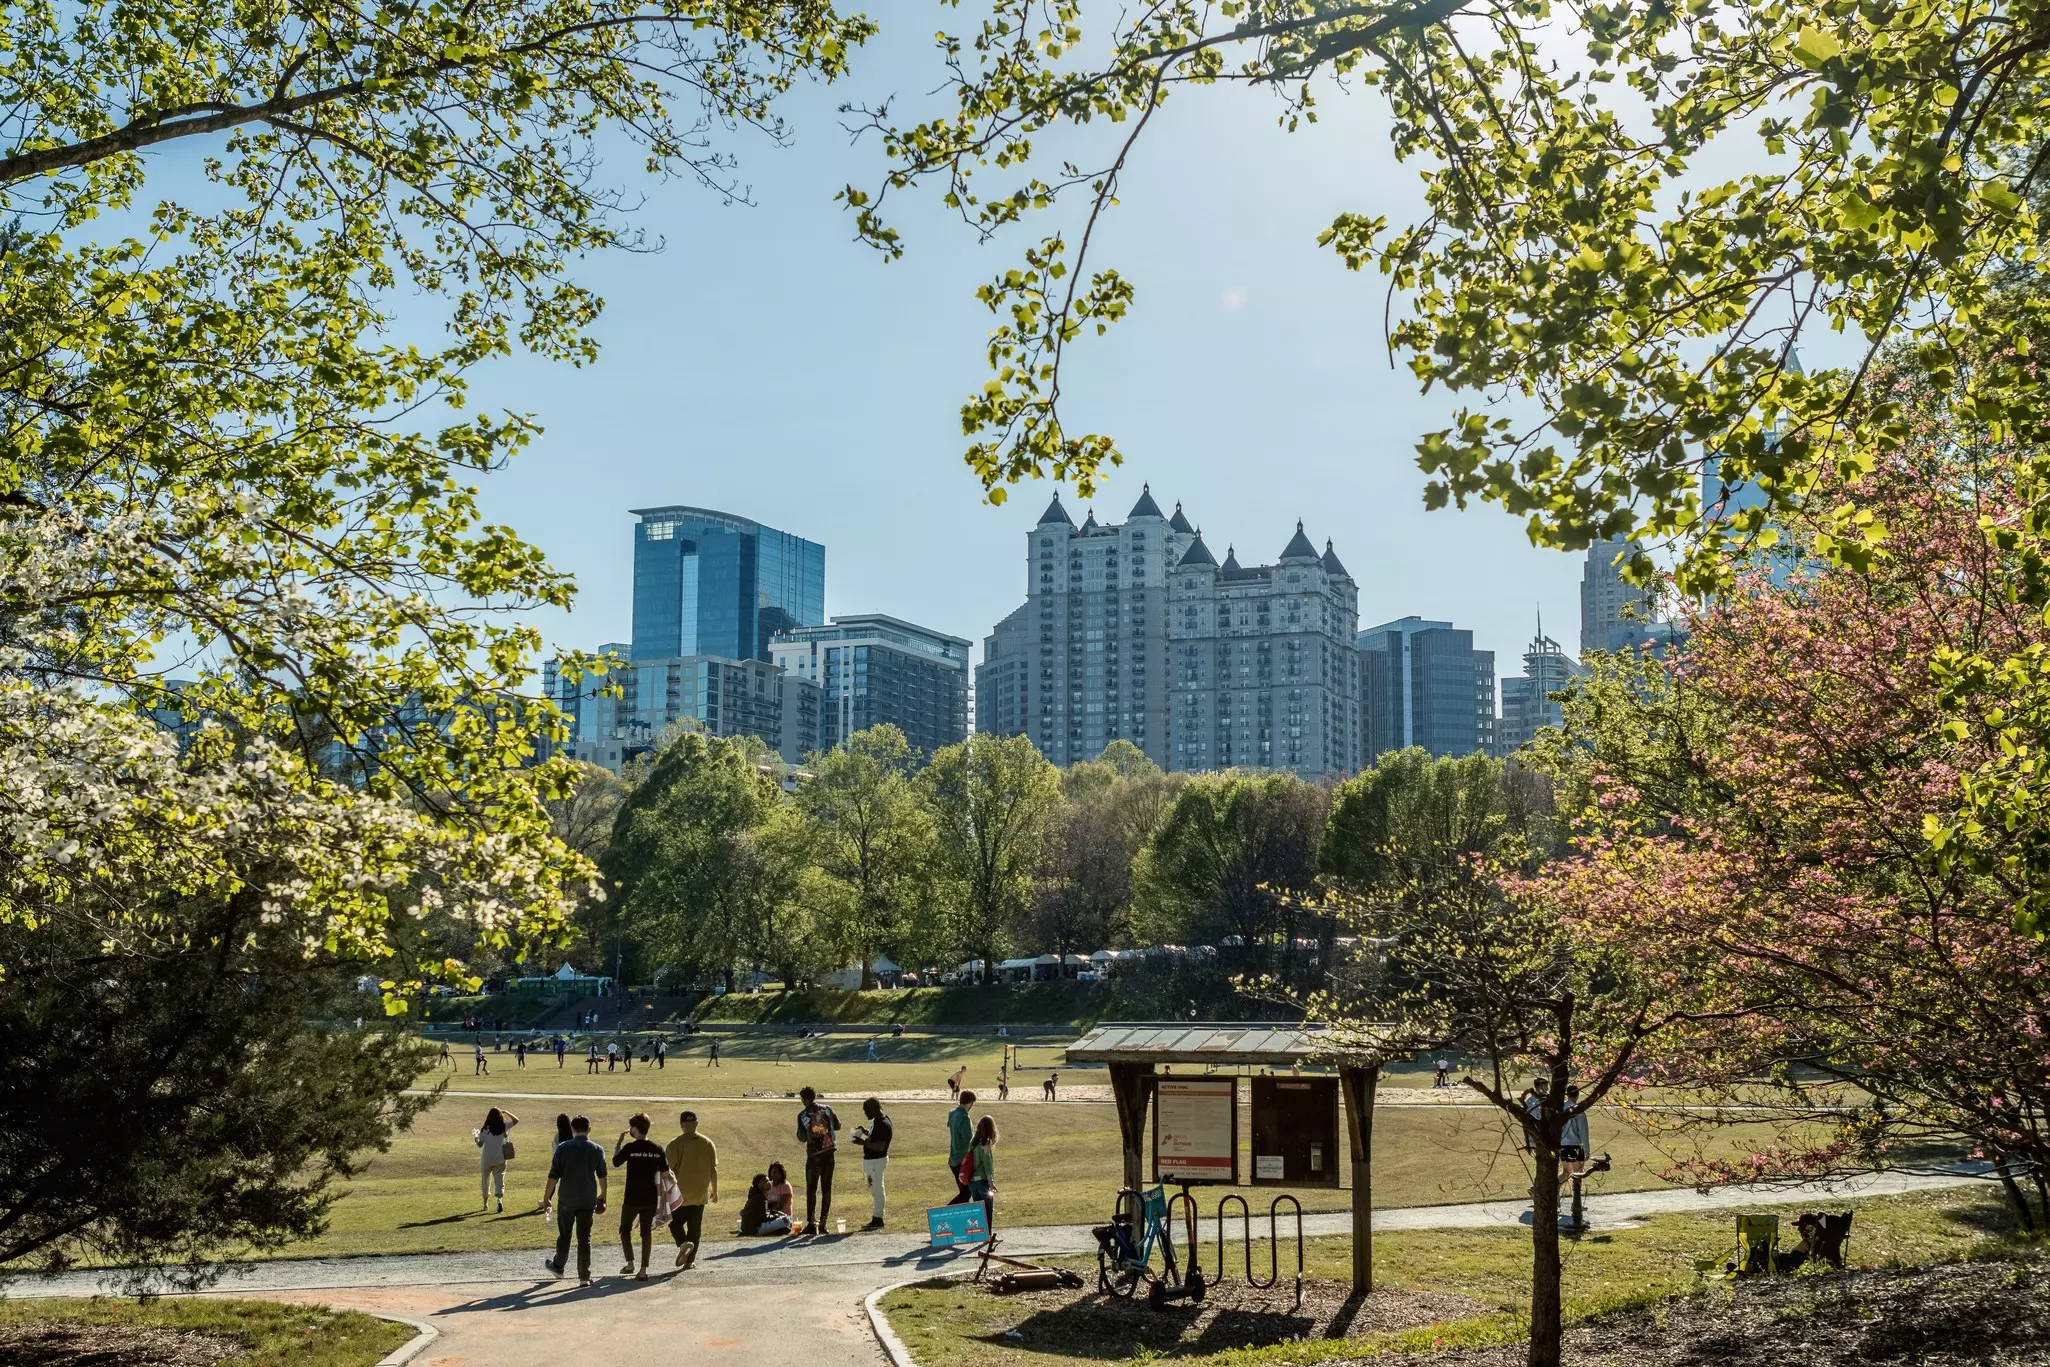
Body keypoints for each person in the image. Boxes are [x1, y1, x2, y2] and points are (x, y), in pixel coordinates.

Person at [541, 1115, 608, 1283]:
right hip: (587, 1198)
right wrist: (603, 1195)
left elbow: (553, 1176)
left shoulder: (563, 1148)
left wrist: (547, 1197)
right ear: (589, 1129)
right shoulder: (597, 1149)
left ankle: (559, 1266)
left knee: (565, 1234)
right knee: (585, 1237)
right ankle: (584, 1275)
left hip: (567, 1198)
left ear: (573, 1129)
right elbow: (602, 1176)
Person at [612, 1112, 670, 1280]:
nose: (630, 1129)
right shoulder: (657, 1149)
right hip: (650, 1198)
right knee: (646, 1233)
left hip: (631, 1198)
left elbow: (615, 1162)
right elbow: (665, 1173)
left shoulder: (630, 1148)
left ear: (636, 1129)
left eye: (631, 1127)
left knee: (625, 1229)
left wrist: (619, 1143)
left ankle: (630, 1262)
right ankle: (643, 1269)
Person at [664, 1109, 719, 1268]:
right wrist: (714, 1192)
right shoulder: (707, 1143)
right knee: (695, 1228)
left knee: (674, 1224)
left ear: (681, 1125)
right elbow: (713, 1170)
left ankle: (682, 1244)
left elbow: (669, 1171)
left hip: (679, 1195)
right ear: (696, 1123)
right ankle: (690, 1261)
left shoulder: (675, 1144)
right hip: (699, 1195)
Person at [795, 1086, 841, 1236]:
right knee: (827, 1189)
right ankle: (823, 1223)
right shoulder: (827, 1109)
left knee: (811, 1189)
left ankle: (811, 1223)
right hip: (829, 1154)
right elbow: (838, 1126)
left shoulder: (802, 1115)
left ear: (804, 1099)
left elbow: (801, 1137)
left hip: (814, 1156)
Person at [855, 1096, 892, 1229]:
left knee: (877, 1190)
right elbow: (875, 1137)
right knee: (875, 1189)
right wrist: (865, 1132)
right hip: (874, 1161)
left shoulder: (882, 1124)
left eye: (866, 1110)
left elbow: (880, 1146)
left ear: (873, 1109)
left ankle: (878, 1219)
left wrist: (863, 1142)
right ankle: (877, 1217)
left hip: (876, 1161)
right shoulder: (879, 1120)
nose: (865, 1113)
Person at [476, 1106, 519, 1212]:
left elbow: (480, 1145)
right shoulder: (504, 1127)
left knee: (485, 1180)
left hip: (487, 1159)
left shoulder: (485, 1129)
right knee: (500, 1180)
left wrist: (476, 1138)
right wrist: (506, 1111)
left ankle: (485, 1204)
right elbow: (516, 1120)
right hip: (500, 1159)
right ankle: (499, 1201)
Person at [968, 1115, 999, 1228]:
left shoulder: (973, 1142)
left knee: (978, 1210)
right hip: (982, 1181)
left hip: (972, 1181)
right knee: (988, 1209)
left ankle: (980, 1233)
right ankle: (988, 1236)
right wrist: (991, 1182)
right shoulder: (986, 1143)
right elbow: (987, 1164)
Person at [946, 1090, 977, 1203]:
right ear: (969, 1103)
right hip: (962, 1160)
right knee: (966, 1193)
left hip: (953, 1158)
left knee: (964, 1193)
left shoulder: (952, 1113)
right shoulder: (964, 1117)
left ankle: (961, 1218)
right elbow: (969, 1139)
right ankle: (945, 1213)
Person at [761, 1162, 794, 1235]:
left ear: (782, 1174)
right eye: (774, 1172)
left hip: (782, 1218)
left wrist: (767, 1211)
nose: (776, 1175)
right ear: (770, 1174)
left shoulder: (785, 1186)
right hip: (770, 1217)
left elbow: (779, 1207)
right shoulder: (769, 1186)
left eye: (779, 1173)